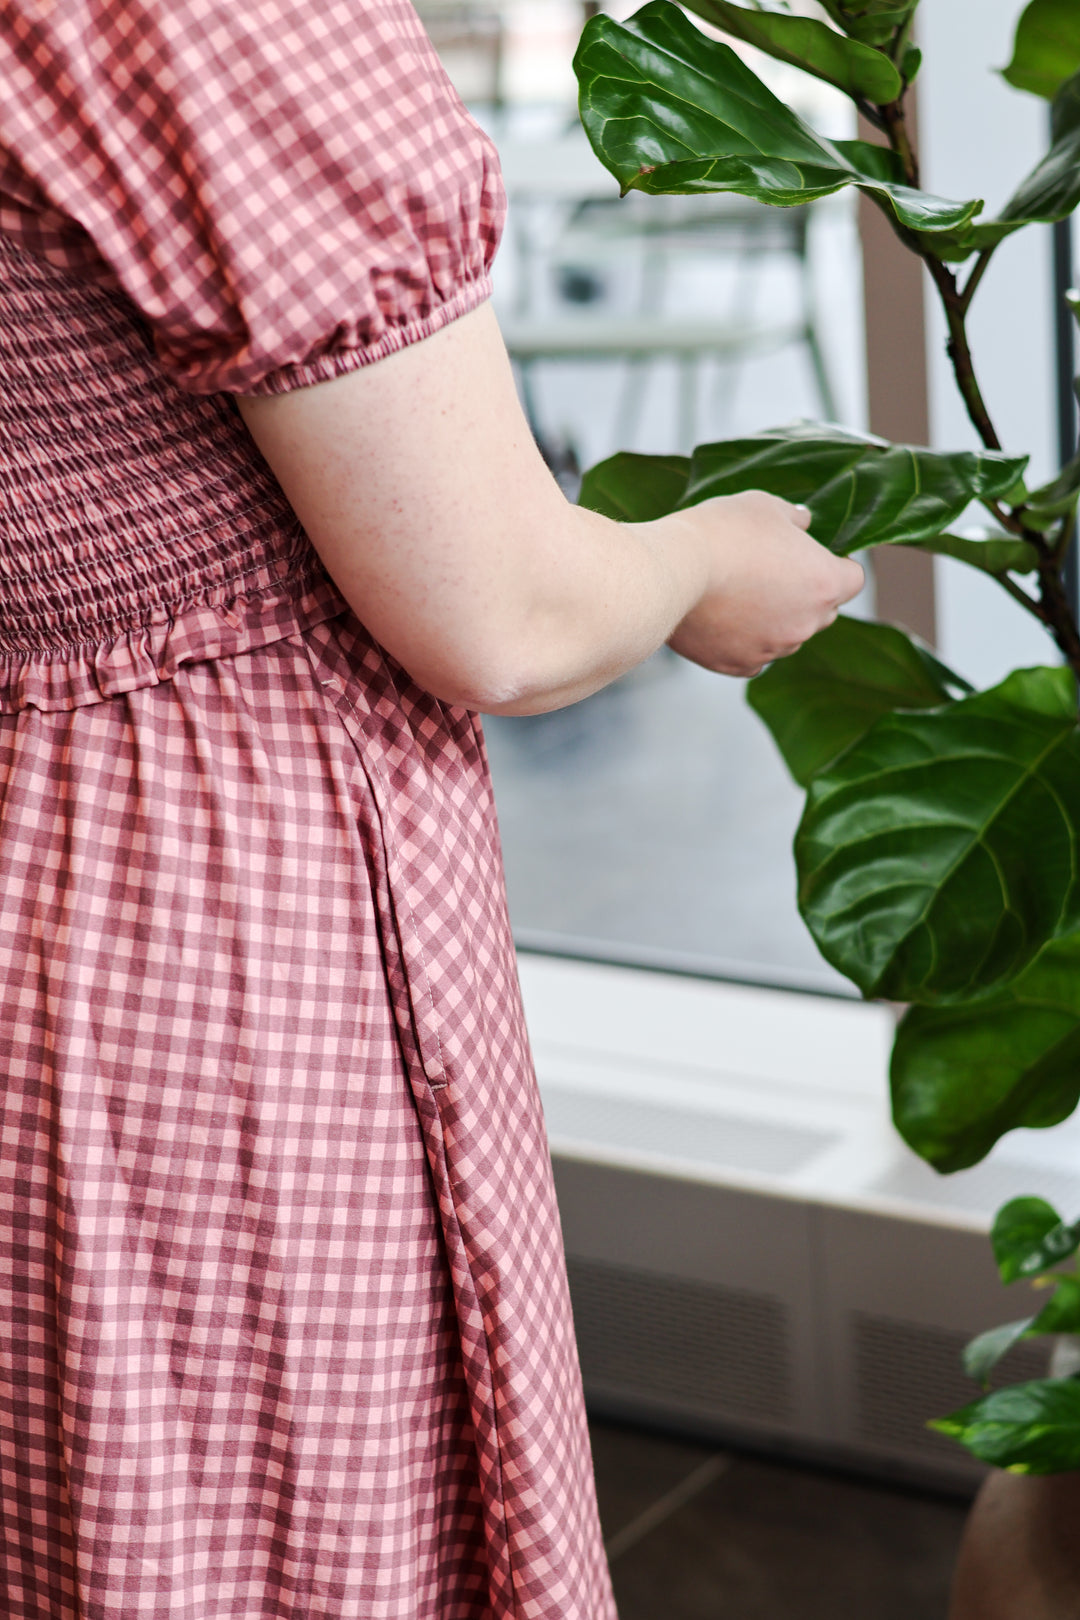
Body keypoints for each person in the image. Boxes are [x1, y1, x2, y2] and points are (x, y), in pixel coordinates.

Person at [0, 0, 863, 1616]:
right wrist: (700, 558)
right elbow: (502, 617)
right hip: (210, 933)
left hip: (44, 867)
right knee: (285, 1529)